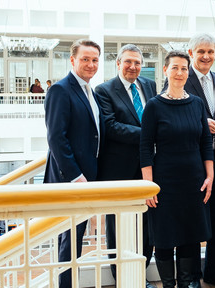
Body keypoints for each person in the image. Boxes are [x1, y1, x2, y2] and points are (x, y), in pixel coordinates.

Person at [162, 33, 215, 288]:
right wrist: (201, 124)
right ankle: (191, 276)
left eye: (211, 52)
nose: (206, 56)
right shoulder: (180, 77)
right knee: (192, 221)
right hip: (191, 166)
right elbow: (168, 115)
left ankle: (213, 270)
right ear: (191, 53)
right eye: (201, 51)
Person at [140, 51, 213, 288]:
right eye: (175, 68)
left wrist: (210, 176)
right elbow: (145, 147)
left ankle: (184, 284)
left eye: (184, 68)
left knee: (189, 235)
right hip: (164, 182)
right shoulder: (154, 106)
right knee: (163, 237)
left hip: (193, 180)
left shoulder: (197, 104)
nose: (180, 73)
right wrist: (149, 186)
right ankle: (168, 285)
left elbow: (205, 142)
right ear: (165, 70)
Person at [95, 44, 158, 288]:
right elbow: (110, 127)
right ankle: (121, 277)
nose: (133, 67)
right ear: (118, 63)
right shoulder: (104, 90)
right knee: (117, 228)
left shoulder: (149, 85)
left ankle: (140, 276)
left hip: (148, 167)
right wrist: (149, 134)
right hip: (118, 170)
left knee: (147, 225)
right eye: (128, 62)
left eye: (138, 62)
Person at [43, 39, 103, 288]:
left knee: (76, 240)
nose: (90, 64)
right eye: (85, 59)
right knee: (68, 243)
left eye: (95, 60)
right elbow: (56, 138)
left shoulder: (90, 90)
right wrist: (76, 176)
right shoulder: (61, 89)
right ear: (72, 60)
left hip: (86, 178)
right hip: (71, 181)